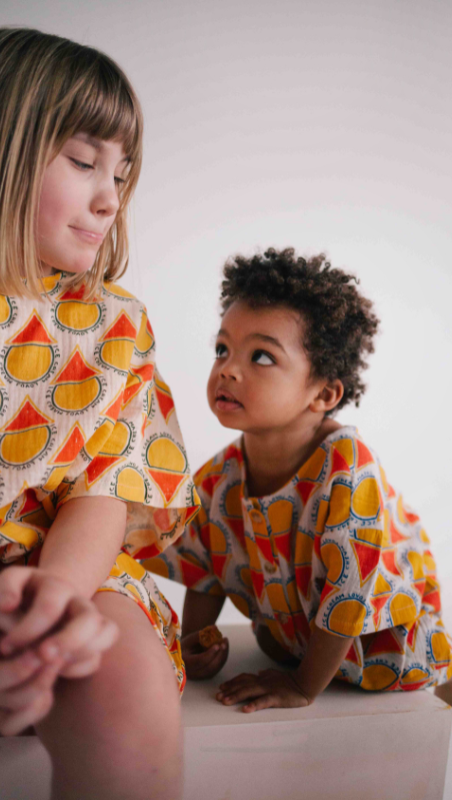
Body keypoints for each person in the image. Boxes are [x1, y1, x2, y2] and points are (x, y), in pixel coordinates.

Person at [0, 28, 199, 800]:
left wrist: (55, 598)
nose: (111, 197)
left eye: (121, 172)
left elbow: (105, 488)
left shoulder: (114, 323)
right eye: (84, 161)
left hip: (67, 563)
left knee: (121, 681)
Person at [153, 247, 452, 717]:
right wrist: (194, 645)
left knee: (398, 665)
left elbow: (350, 595)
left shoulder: (348, 472)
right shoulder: (218, 480)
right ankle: (303, 651)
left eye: (261, 356)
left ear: (323, 393)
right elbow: (205, 561)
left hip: (373, 629)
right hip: (295, 625)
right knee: (271, 643)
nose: (228, 369)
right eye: (223, 348)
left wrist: (302, 687)